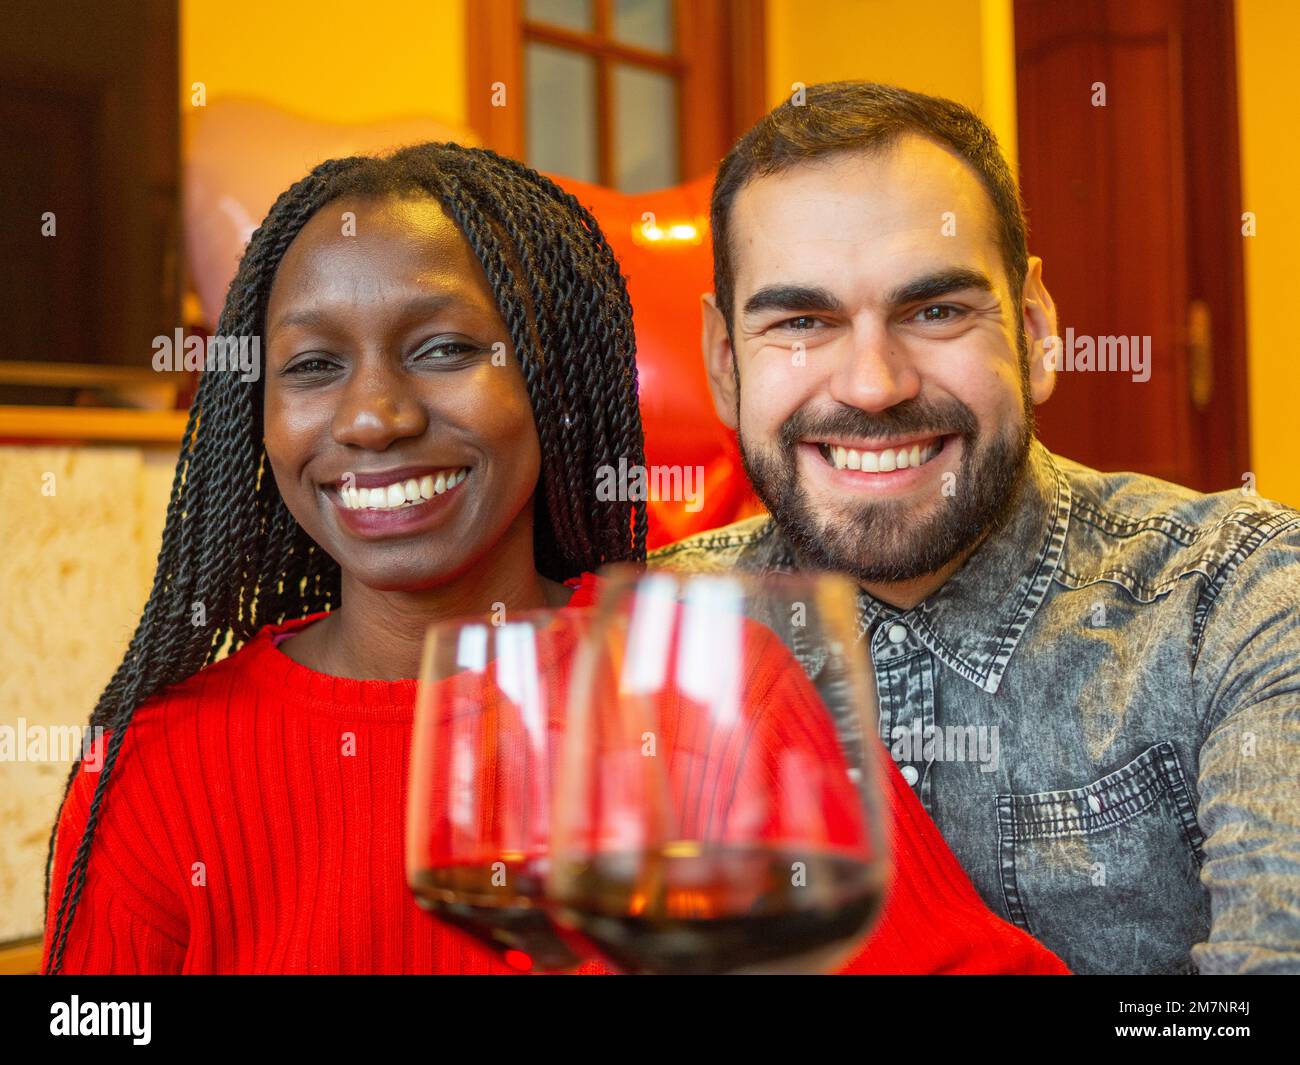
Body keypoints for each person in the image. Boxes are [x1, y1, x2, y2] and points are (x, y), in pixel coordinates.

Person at [42, 141, 1065, 975]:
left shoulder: (710, 690)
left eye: (444, 349)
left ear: (555, 378)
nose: (373, 416)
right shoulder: (152, 768)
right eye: (311, 367)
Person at [649, 81, 1300, 975]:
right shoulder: (651, 634)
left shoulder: (1239, 596)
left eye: (936, 310)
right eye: (803, 322)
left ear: (1033, 330)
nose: (874, 385)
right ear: (725, 363)